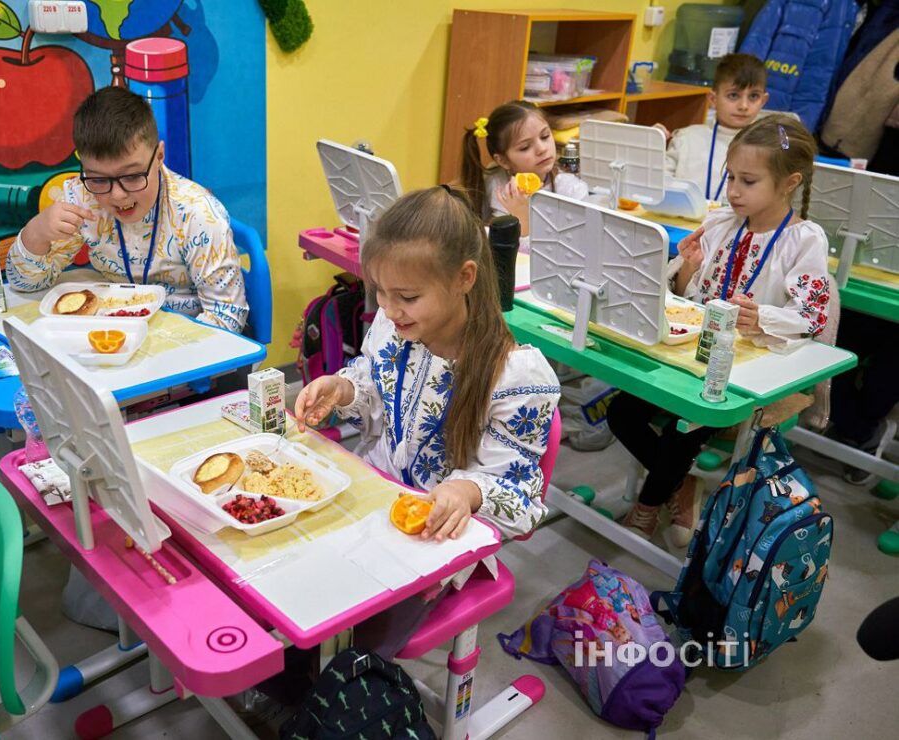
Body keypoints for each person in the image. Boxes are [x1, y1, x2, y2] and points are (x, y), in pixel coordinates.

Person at [295, 187, 560, 656]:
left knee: (341, 627)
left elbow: (520, 494)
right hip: (373, 498)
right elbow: (374, 384)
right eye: (380, 292)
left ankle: (338, 691)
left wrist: (467, 491)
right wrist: (343, 389)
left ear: (464, 278)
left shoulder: (515, 374)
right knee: (294, 572)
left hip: (440, 540)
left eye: (408, 296)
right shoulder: (396, 326)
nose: (390, 309)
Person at [608, 116, 831, 543]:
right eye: (731, 177)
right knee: (621, 413)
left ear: (789, 183)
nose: (732, 190)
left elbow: (812, 316)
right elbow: (684, 297)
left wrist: (762, 316)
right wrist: (686, 267)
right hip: (688, 352)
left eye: (748, 180)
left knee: (683, 427)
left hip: (747, 367)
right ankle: (680, 483)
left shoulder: (804, 240)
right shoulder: (720, 222)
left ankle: (648, 504)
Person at [6, 86, 249, 334]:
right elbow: (25, 284)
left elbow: (226, 317)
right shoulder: (83, 198)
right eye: (99, 179)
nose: (117, 195)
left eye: (132, 176)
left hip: (185, 337)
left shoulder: (197, 214)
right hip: (112, 333)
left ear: (160, 156)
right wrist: (37, 233)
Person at [459, 101, 589, 245]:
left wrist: (523, 218)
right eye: (525, 147)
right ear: (503, 161)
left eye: (545, 136)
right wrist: (521, 216)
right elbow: (503, 250)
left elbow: (572, 248)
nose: (542, 149)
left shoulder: (571, 189)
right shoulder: (497, 186)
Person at [659, 53, 769, 204]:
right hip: (681, 223)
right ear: (713, 99)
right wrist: (650, 147)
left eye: (753, 96)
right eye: (733, 96)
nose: (743, 106)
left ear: (763, 101)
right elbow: (657, 186)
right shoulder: (685, 138)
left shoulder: (768, 148)